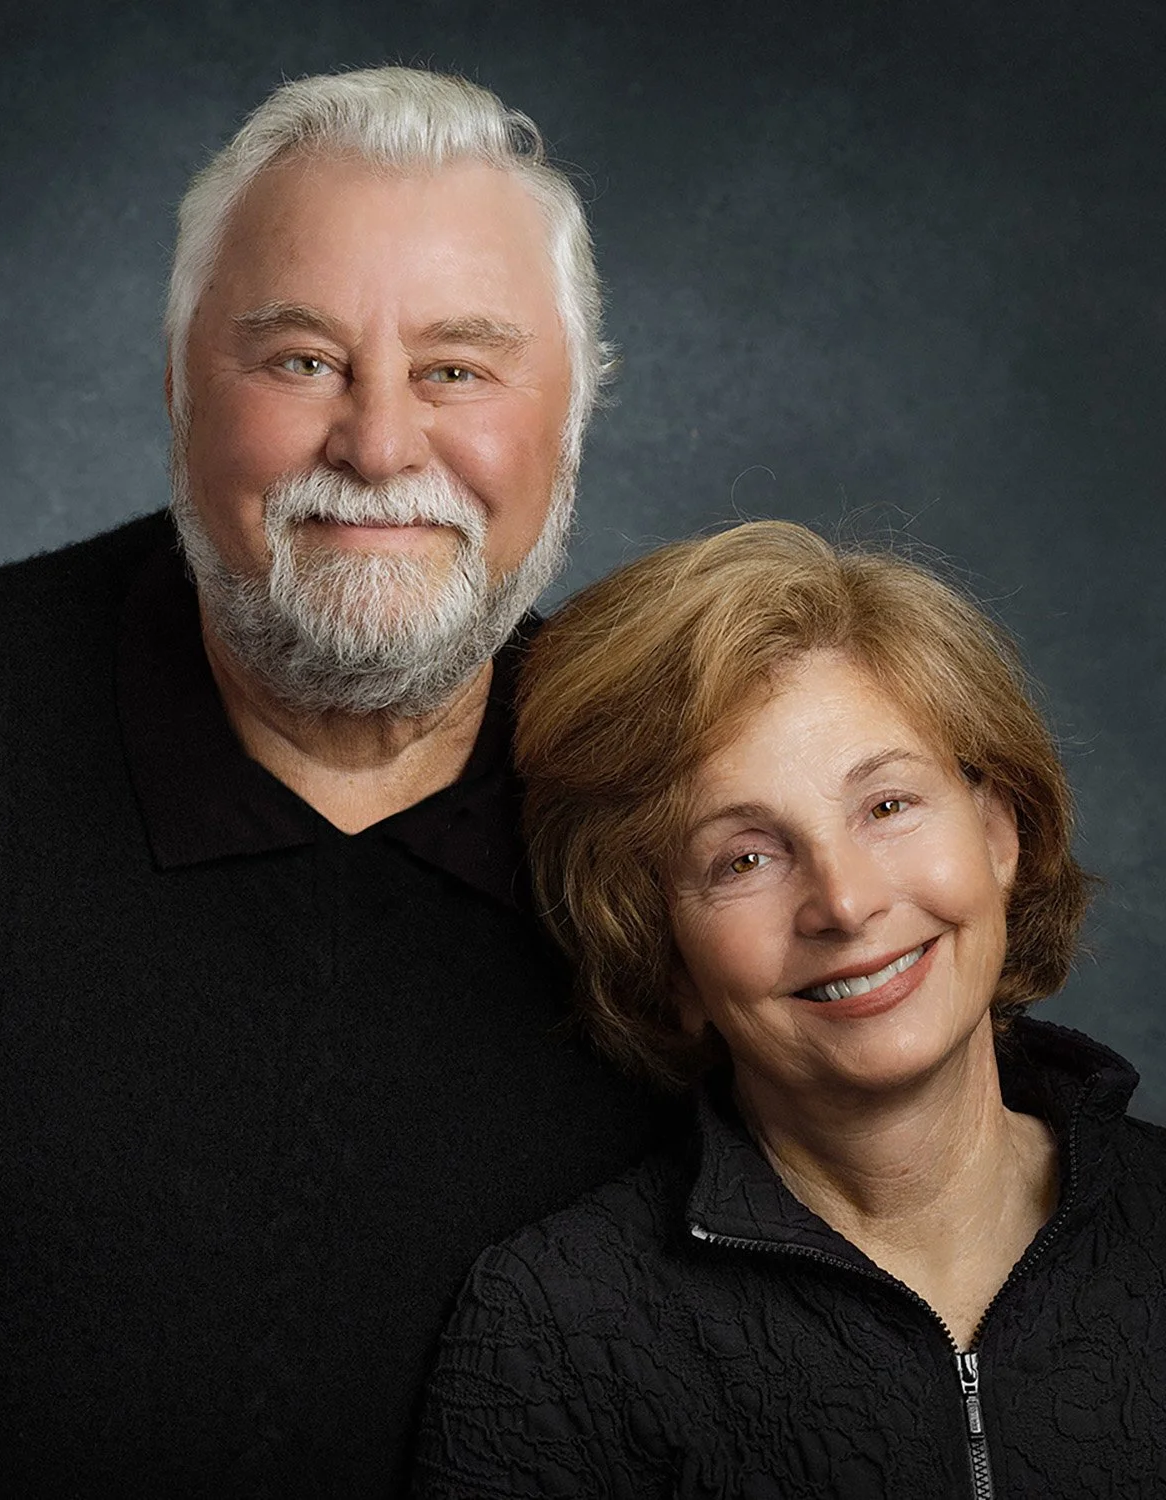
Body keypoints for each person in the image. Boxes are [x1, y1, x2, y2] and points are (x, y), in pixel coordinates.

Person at [0, 68, 668, 1496]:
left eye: (459, 368)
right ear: (176, 384)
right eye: (300, 361)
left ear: (574, 415)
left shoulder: (666, 808)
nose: (381, 446)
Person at [413, 520, 1166, 1498]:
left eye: (888, 805)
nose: (846, 903)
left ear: (998, 831)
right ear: (663, 957)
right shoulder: (560, 1328)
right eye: (744, 860)